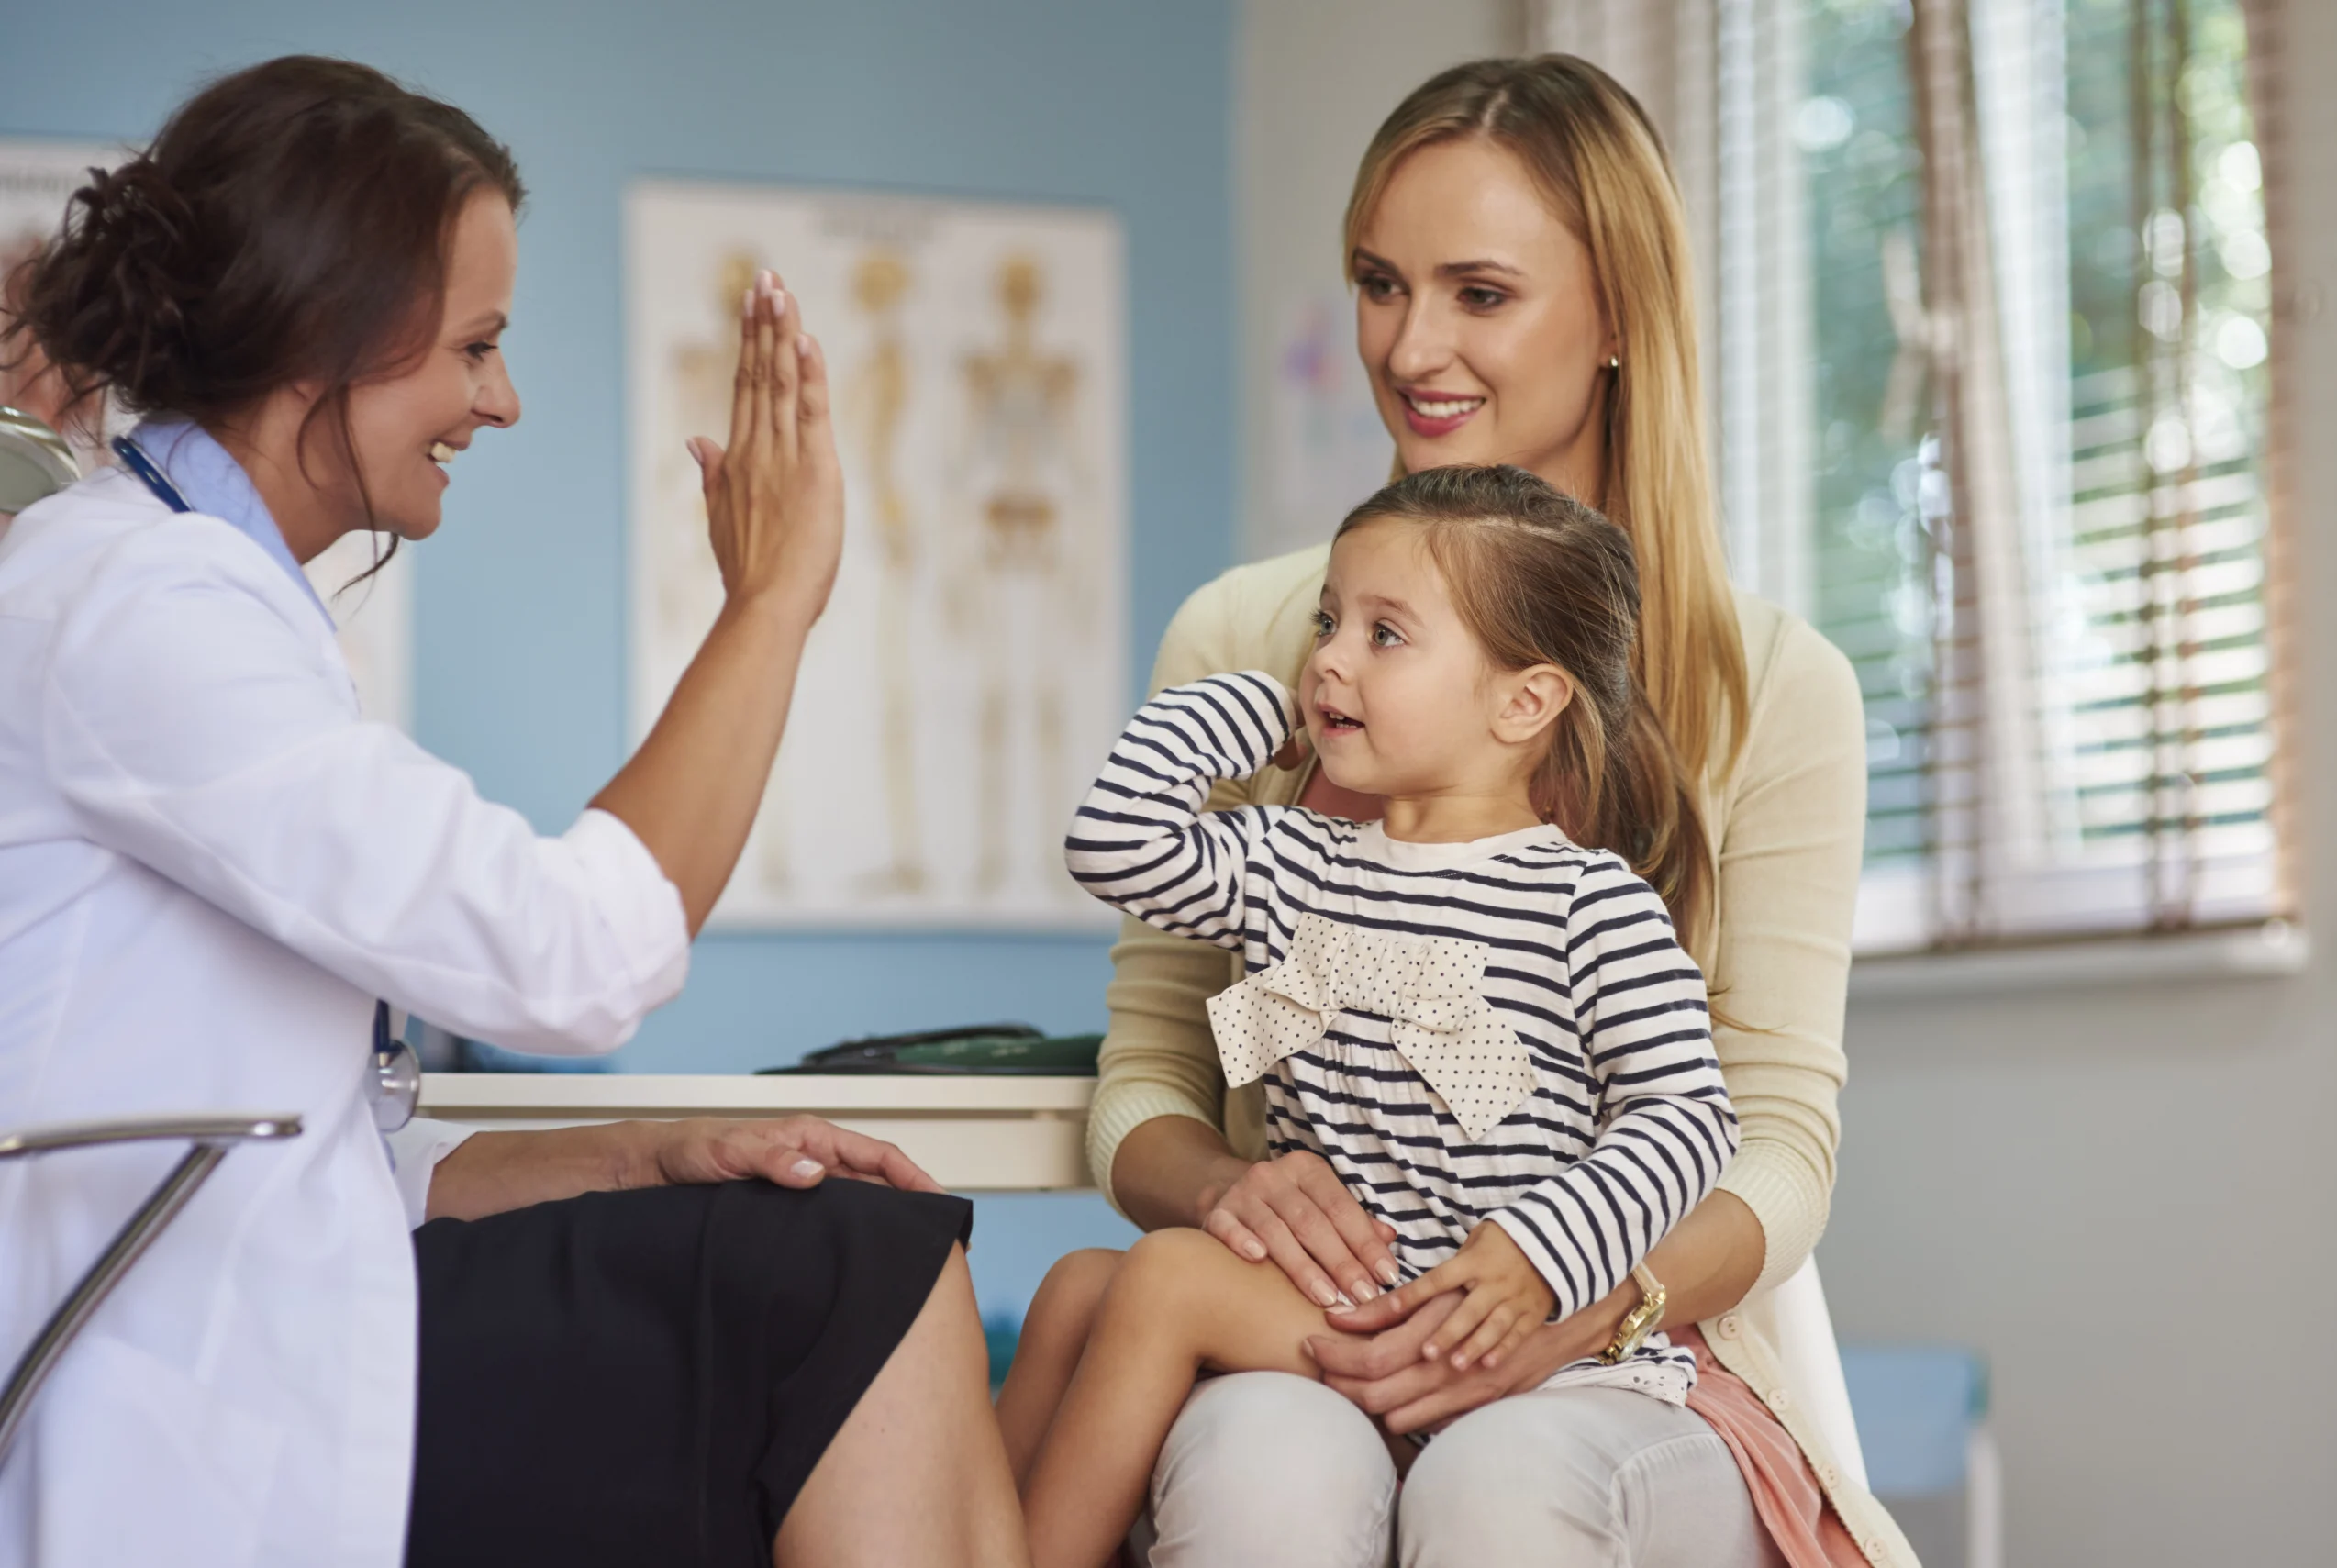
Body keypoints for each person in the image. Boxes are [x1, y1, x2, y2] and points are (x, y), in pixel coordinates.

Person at [0, 57, 1025, 1568]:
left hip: (251, 1319)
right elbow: (575, 953)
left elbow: (327, 1157)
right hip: (177, 1387)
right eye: (475, 346)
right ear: (326, 334)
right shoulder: (144, 610)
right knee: (841, 1274)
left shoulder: (175, 588)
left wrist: (640, 1153)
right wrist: (771, 604)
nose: (502, 398)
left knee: (832, 1255)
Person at [1086, 54, 1917, 1568]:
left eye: (1480, 293)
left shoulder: (1772, 687)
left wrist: (1569, 1292)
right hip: (1319, 1314)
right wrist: (1233, 1188)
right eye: (1380, 284)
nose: (1411, 347)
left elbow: (1769, 1137)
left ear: (1618, 318)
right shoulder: (1258, 639)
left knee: (1501, 1481)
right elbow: (1158, 1067)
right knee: (1263, 1475)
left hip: (1634, 1342)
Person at [1002, 465, 1740, 1568]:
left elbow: (1689, 1117)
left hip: (1480, 1323)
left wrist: (1539, 1251)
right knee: (1073, 1289)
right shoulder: (1293, 862)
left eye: (1384, 634)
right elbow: (1112, 844)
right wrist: (1257, 709)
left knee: (1163, 1275)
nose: (1331, 658)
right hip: (1345, 1292)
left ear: (1523, 702)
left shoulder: (1587, 903)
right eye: (1325, 622)